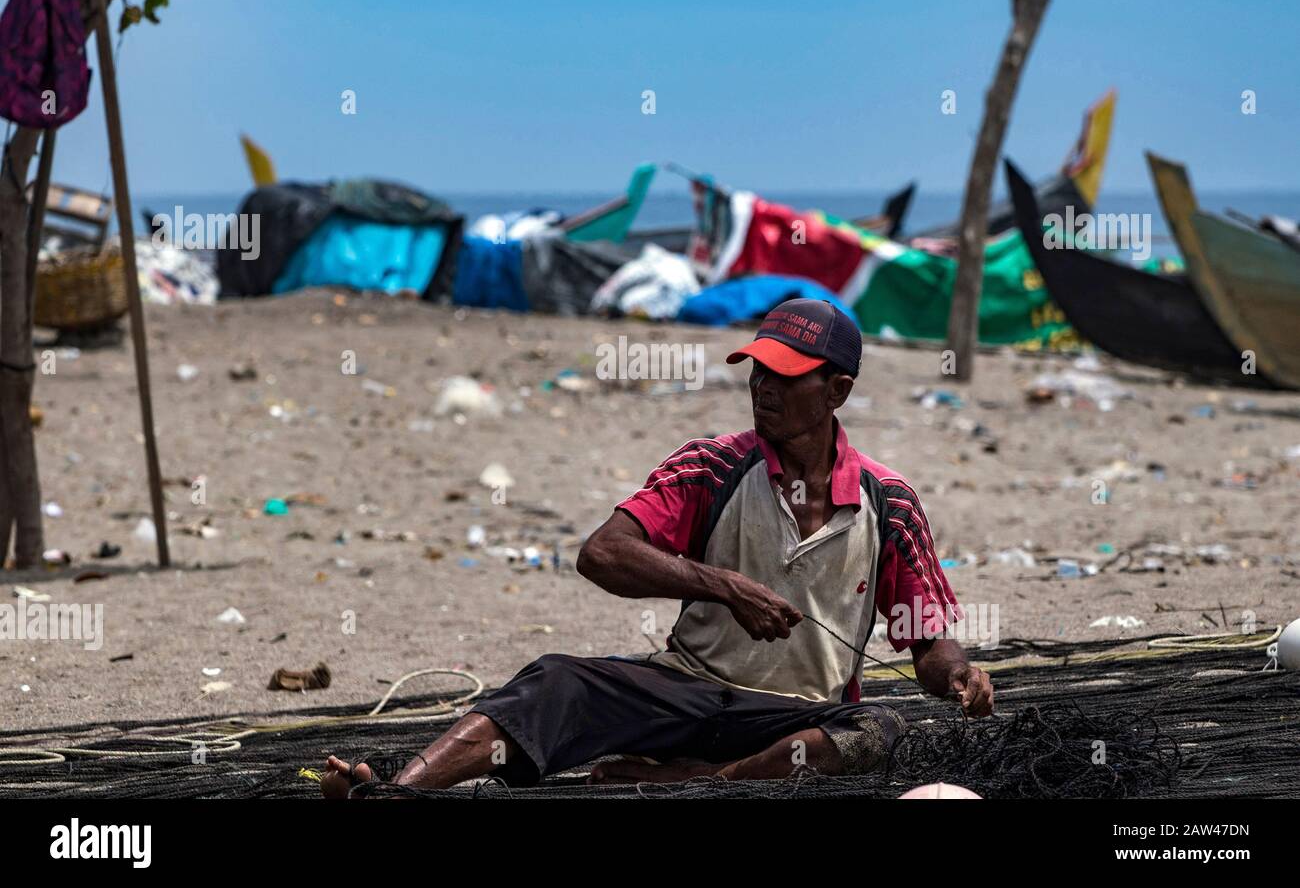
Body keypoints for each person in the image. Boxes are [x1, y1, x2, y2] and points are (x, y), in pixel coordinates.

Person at [321, 298, 992, 796]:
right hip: (684, 691)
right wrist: (722, 586)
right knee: (554, 683)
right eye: (758, 372)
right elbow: (601, 553)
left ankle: (701, 780)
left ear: (837, 390)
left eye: (787, 378)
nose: (764, 389)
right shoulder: (708, 467)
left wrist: (958, 677)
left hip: (797, 722)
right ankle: (395, 792)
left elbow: (926, 639)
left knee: (880, 729)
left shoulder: (889, 501)